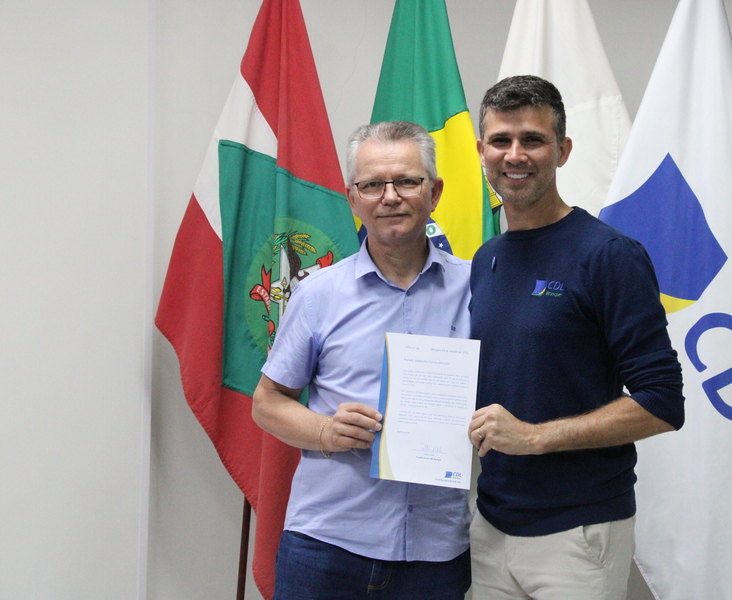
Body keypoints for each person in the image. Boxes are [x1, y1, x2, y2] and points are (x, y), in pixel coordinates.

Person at [466, 75, 685, 600]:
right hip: (491, 527)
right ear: (480, 152)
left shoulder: (608, 255)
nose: (515, 155)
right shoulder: (485, 258)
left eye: (533, 140)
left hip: (577, 534)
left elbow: (662, 402)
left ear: (562, 151)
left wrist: (536, 438)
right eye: (500, 141)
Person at [252, 121, 472, 600]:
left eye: (407, 182)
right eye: (372, 185)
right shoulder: (317, 294)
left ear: (434, 192)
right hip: (327, 544)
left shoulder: (480, 290)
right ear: (352, 199)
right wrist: (325, 431)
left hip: (436, 551)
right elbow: (267, 402)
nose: (389, 197)